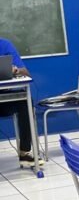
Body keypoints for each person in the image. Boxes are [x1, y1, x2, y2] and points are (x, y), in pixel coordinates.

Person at [0, 37, 43, 167]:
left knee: (25, 103)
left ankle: (25, 152)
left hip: (4, 99)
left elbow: (26, 73)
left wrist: (16, 70)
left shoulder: (5, 45)